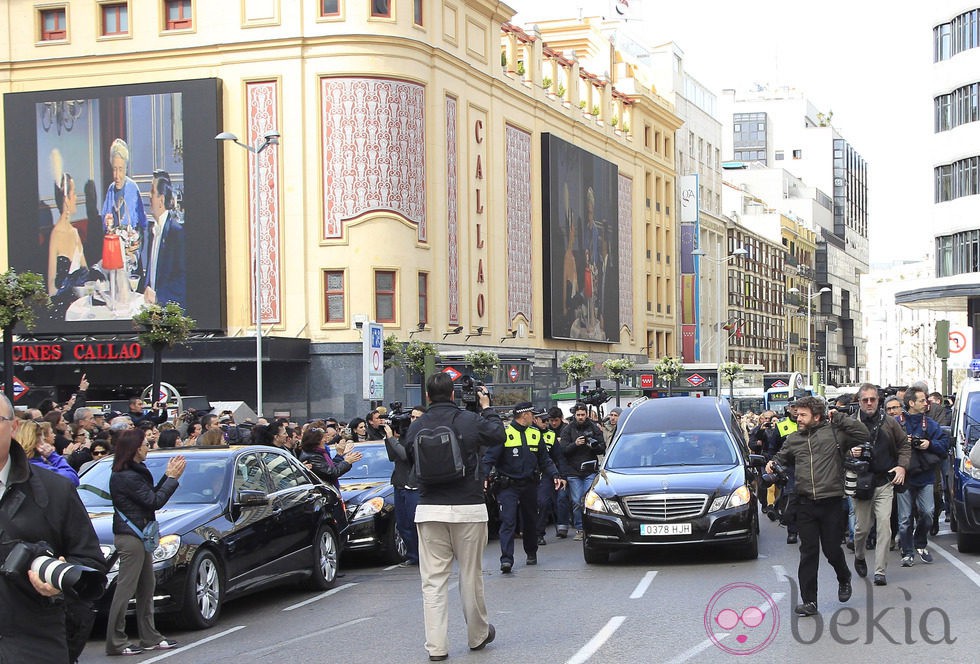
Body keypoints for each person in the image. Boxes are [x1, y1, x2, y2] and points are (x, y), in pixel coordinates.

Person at [0, 393, 106, 663]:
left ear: (14, 427)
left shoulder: (54, 490)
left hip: (33, 646)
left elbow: (91, 565)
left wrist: (59, 586)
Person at [404, 372, 502, 661]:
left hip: (429, 508)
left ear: (426, 397)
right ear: (453, 394)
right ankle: (477, 635)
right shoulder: (467, 420)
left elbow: (410, 457)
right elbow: (498, 435)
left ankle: (436, 647)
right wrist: (486, 407)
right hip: (468, 507)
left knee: (433, 581)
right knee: (470, 575)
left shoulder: (417, 425)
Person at [766, 396, 869, 617]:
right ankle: (809, 601)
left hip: (831, 501)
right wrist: (772, 463)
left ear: (817, 416)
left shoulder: (835, 433)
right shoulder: (794, 439)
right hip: (804, 502)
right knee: (808, 553)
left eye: (803, 415)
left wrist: (840, 417)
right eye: (797, 414)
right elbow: (780, 457)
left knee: (832, 550)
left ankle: (844, 577)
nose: (798, 418)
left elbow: (863, 434)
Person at [106, 428, 185, 655]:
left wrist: (167, 478)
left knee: (146, 587)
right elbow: (154, 500)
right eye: (144, 444)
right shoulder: (126, 476)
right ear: (134, 448)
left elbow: (147, 496)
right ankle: (116, 641)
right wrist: (171, 478)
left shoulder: (133, 472)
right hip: (131, 537)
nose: (148, 447)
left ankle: (149, 636)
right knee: (126, 589)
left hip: (140, 535)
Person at [482, 403, 564, 573]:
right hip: (508, 485)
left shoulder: (535, 434)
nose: (534, 418)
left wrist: (555, 475)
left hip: (529, 484)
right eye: (531, 414)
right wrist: (483, 476)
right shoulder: (505, 434)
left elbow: (545, 459)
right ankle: (506, 560)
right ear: (524, 415)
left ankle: (531, 552)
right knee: (508, 520)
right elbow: (489, 458)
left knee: (530, 520)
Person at [849, 383, 910, 586]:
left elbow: (904, 445)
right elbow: (836, 449)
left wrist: (901, 467)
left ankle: (880, 571)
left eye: (872, 399)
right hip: (860, 483)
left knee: (884, 525)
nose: (869, 403)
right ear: (859, 401)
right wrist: (850, 452)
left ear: (878, 400)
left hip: (884, 482)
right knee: (862, 529)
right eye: (865, 399)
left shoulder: (890, 423)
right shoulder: (850, 424)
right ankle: (859, 555)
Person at [897, 386, 949, 567]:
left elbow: (944, 444)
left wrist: (929, 444)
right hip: (904, 477)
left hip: (926, 476)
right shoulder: (897, 422)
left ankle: (920, 542)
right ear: (911, 403)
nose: (926, 403)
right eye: (921, 400)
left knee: (927, 513)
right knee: (904, 519)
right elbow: (886, 445)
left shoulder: (931, 424)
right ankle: (907, 551)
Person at [384, 406, 425, 567]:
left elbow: (405, 455)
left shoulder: (419, 436)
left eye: (417, 417)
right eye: (412, 417)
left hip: (413, 485)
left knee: (414, 522)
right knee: (402, 523)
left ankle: (420, 554)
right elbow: (392, 456)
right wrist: (388, 438)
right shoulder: (402, 436)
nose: (413, 420)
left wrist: (392, 439)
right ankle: (413, 554)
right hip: (399, 484)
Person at [140, 169, 186, 308]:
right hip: (151, 307)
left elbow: (183, 280)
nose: (149, 196)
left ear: (161, 200)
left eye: (152, 192)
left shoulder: (176, 232)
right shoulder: (152, 230)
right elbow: (151, 271)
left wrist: (158, 297)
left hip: (168, 309)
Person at [559, 403, 605, 541]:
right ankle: (579, 528)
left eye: (583, 415)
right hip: (573, 471)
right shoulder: (568, 429)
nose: (580, 417)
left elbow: (602, 447)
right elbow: (563, 450)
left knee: (587, 500)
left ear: (586, 414)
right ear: (574, 415)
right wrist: (575, 444)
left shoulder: (593, 427)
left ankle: (588, 528)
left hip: (590, 470)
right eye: (578, 415)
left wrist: (592, 445)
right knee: (577, 501)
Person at [17, 419, 79, 486]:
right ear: (34, 441)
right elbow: (72, 479)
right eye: (41, 438)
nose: (43, 441)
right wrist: (54, 457)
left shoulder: (17, 464)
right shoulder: (38, 468)